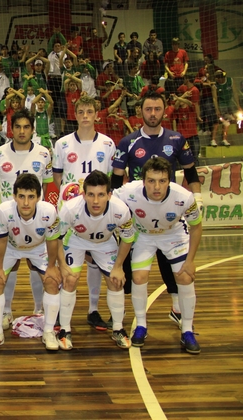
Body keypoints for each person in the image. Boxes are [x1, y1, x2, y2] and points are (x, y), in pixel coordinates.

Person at [111, 89, 203, 329]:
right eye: (148, 109)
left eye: (157, 109)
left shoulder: (176, 139)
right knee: (132, 266)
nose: (153, 113)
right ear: (140, 111)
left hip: (167, 213)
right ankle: (121, 309)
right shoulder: (128, 142)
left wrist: (198, 197)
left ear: (164, 111)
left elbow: (191, 171)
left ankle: (177, 308)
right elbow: (116, 179)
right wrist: (116, 211)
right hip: (138, 214)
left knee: (170, 261)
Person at [112, 157, 202, 354]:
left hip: (173, 235)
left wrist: (191, 261)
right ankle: (141, 325)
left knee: (185, 277)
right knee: (138, 277)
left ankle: (187, 330)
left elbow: (196, 227)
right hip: (143, 236)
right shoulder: (128, 192)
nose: (156, 186)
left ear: (169, 180)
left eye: (162, 181)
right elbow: (107, 200)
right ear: (143, 180)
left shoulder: (184, 197)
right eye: (151, 181)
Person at [52, 95, 117, 331]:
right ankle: (60, 314)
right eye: (81, 112)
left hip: (98, 211)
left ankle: (93, 310)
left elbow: (112, 178)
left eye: (90, 112)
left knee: (96, 261)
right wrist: (71, 199)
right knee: (67, 265)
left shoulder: (108, 144)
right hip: (71, 213)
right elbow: (58, 177)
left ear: (97, 115)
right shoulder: (62, 144)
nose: (85, 116)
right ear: (75, 114)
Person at [56, 171, 136, 350]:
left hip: (105, 242)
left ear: (109, 195)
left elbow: (127, 239)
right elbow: (56, 238)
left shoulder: (120, 210)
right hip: (76, 239)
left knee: (116, 280)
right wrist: (62, 265)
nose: (96, 201)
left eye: (101, 195)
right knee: (70, 279)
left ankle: (118, 328)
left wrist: (118, 267)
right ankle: (64, 329)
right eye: (91, 195)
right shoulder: (70, 209)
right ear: (83, 195)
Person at [0, 110, 52, 322]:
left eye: (26, 127)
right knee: (11, 264)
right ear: (11, 129)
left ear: (33, 130)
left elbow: (46, 185)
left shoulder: (43, 153)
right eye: (17, 127)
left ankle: (39, 309)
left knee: (36, 264)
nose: (22, 131)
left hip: (35, 218)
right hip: (9, 220)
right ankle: (6, 311)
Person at [0, 173, 61, 350]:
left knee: (52, 281)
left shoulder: (49, 211)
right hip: (11, 247)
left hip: (39, 247)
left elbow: (53, 241)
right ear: (14, 196)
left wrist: (52, 267)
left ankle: (48, 331)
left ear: (38, 197)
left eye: (31, 197)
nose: (25, 202)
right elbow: (0, 240)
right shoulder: (3, 211)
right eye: (21, 196)